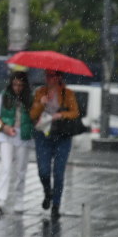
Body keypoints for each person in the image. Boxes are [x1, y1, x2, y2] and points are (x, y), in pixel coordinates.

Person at [30, 69, 81, 219]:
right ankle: (48, 192)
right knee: (43, 171)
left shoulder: (68, 93)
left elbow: (75, 113)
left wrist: (61, 114)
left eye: (51, 75)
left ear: (59, 77)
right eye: (47, 75)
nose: (48, 78)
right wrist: (41, 103)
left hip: (62, 136)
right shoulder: (40, 92)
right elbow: (32, 114)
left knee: (59, 173)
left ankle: (56, 205)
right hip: (43, 135)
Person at [0, 67, 33, 215]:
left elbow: (35, 116)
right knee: (6, 167)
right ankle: (0, 199)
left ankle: (19, 199)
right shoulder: (4, 96)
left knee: (21, 170)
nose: (18, 88)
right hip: (6, 134)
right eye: (15, 84)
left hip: (23, 134)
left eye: (21, 85)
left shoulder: (30, 98)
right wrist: (5, 127)